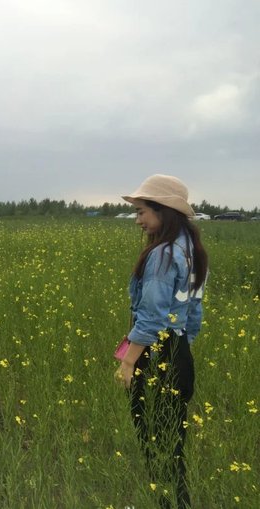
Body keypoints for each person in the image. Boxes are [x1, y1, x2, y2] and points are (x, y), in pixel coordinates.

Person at [115, 174, 208, 509]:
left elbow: (152, 317)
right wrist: (181, 351)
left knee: (153, 438)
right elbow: (193, 313)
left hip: (155, 354)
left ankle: (166, 504)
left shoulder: (163, 255)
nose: (138, 220)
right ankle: (174, 502)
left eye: (142, 211)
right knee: (172, 441)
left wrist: (129, 361)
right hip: (179, 351)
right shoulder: (193, 252)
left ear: (164, 211)